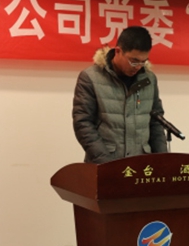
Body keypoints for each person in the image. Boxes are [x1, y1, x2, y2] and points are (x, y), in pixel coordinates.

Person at [72, 25, 168, 164]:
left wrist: (163, 162)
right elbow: (83, 124)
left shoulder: (149, 79)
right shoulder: (91, 77)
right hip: (104, 163)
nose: (138, 67)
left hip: (141, 165)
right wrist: (107, 164)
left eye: (143, 61)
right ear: (118, 51)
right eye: (134, 61)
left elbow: (156, 123)